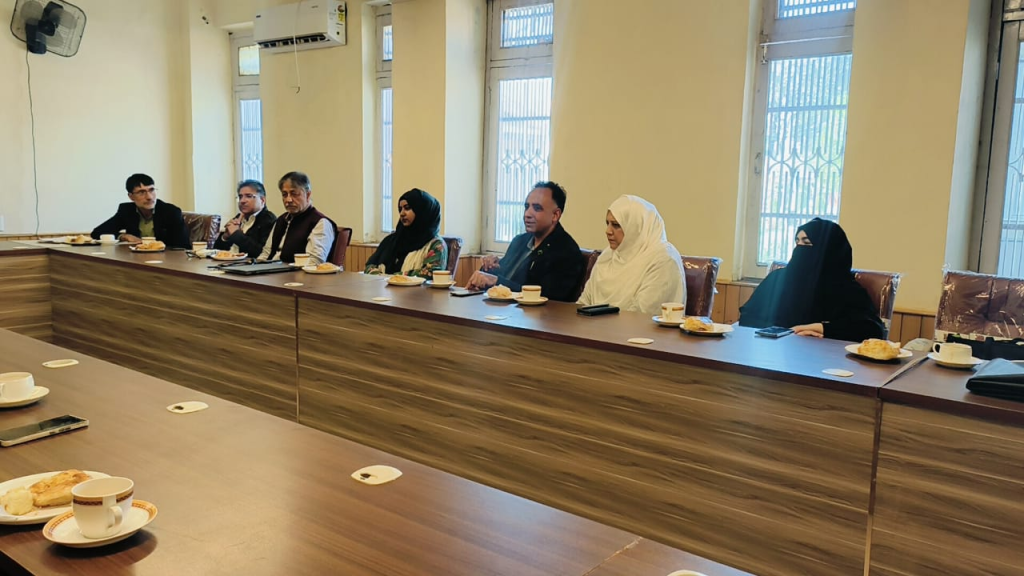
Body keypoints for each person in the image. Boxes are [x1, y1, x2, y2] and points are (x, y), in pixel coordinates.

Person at [738, 218, 884, 341]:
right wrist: (783, 332)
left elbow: (872, 330)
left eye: (807, 243)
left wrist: (820, 328)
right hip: (772, 352)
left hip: (826, 358)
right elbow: (748, 317)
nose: (800, 249)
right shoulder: (777, 280)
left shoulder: (846, 289)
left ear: (828, 250)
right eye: (797, 243)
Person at [466, 181, 585, 302]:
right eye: (527, 207)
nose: (527, 214)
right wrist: (489, 269)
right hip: (500, 310)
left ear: (555, 215)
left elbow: (548, 298)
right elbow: (505, 277)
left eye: (537, 208)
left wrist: (496, 281)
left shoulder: (566, 252)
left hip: (531, 314)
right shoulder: (520, 241)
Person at [577, 195, 684, 316]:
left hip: (637, 328)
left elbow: (642, 315)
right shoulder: (608, 256)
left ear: (636, 226)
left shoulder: (663, 259)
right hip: (595, 327)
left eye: (616, 225)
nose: (608, 231)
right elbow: (583, 303)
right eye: (607, 223)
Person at [365, 189, 448, 278]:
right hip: (384, 286)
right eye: (400, 209)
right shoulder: (393, 240)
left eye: (407, 208)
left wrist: (389, 277)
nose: (402, 213)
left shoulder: (436, 245)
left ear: (422, 211)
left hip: (417, 288)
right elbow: (369, 267)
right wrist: (384, 277)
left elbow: (430, 274)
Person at [258, 172, 337, 265]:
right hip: (270, 270)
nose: (288, 200)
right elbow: (266, 253)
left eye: (294, 194)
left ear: (308, 195)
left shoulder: (320, 223)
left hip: (294, 272)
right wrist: (255, 268)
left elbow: (314, 262)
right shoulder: (281, 220)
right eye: (284, 195)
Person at [91, 173, 189, 248]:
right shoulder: (127, 210)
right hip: (136, 259)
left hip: (166, 261)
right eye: (141, 192)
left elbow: (182, 246)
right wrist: (123, 236)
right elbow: (97, 232)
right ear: (131, 196)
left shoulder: (171, 212)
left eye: (151, 190)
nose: (149, 197)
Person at [213, 180, 277, 257]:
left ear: (262, 200)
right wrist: (225, 237)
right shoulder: (238, 217)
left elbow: (261, 253)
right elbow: (216, 250)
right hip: (228, 262)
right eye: (240, 197)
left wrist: (236, 234)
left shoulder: (268, 220)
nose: (242, 201)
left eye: (249, 196)